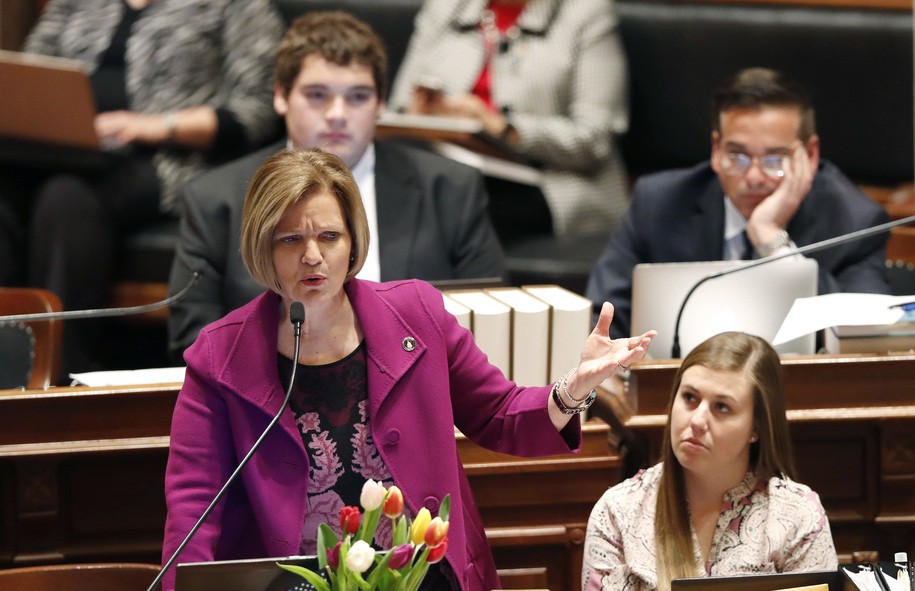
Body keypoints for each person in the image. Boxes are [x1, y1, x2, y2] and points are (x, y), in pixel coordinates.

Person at [161, 147, 656, 591]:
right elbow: (194, 508)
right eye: (290, 239)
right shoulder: (219, 358)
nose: (312, 256)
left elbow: (499, 413)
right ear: (262, 246)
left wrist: (572, 388)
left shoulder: (416, 313)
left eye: (329, 236)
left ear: (353, 241)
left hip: (429, 578)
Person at [167, 10, 506, 361]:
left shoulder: (450, 188)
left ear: (382, 103)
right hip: (267, 405)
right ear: (281, 96)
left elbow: (488, 321)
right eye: (317, 95)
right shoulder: (215, 198)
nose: (338, 114)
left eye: (358, 96)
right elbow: (195, 344)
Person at [0, 0, 283, 375]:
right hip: (59, 149)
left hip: (167, 161)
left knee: (66, 199)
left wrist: (153, 125)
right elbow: (30, 75)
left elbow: (258, 108)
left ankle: (55, 375)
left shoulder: (235, 6)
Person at [586, 67, 891, 339]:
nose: (754, 176)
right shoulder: (659, 203)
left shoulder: (855, 221)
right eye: (738, 156)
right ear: (716, 150)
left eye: (775, 159)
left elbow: (865, 338)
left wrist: (771, 238)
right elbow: (602, 323)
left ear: (810, 156)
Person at [582, 331, 837, 591]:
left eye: (722, 407)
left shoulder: (798, 516)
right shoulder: (617, 512)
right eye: (690, 398)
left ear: (756, 428)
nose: (697, 421)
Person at [387, 0, 630, 241]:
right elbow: (397, 108)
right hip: (445, 167)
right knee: (392, 191)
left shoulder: (586, 12)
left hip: (552, 183)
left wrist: (500, 128)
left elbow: (594, 138)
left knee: (452, 208)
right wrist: (419, 114)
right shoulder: (446, 6)